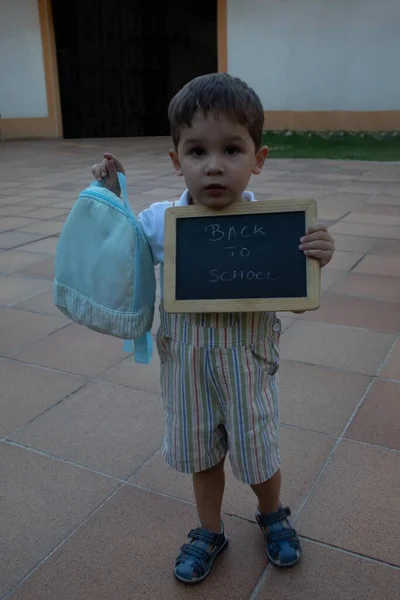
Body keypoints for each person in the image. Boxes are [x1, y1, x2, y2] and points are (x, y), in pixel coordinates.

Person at [91, 73, 335, 584]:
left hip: (248, 365)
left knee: (259, 450)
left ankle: (272, 515)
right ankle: (209, 530)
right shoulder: (161, 221)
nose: (215, 166)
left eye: (232, 150)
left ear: (258, 159)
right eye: (197, 152)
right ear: (177, 160)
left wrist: (317, 256)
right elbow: (122, 248)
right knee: (203, 454)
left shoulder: (276, 226)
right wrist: (111, 197)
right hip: (186, 370)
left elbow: (300, 297)